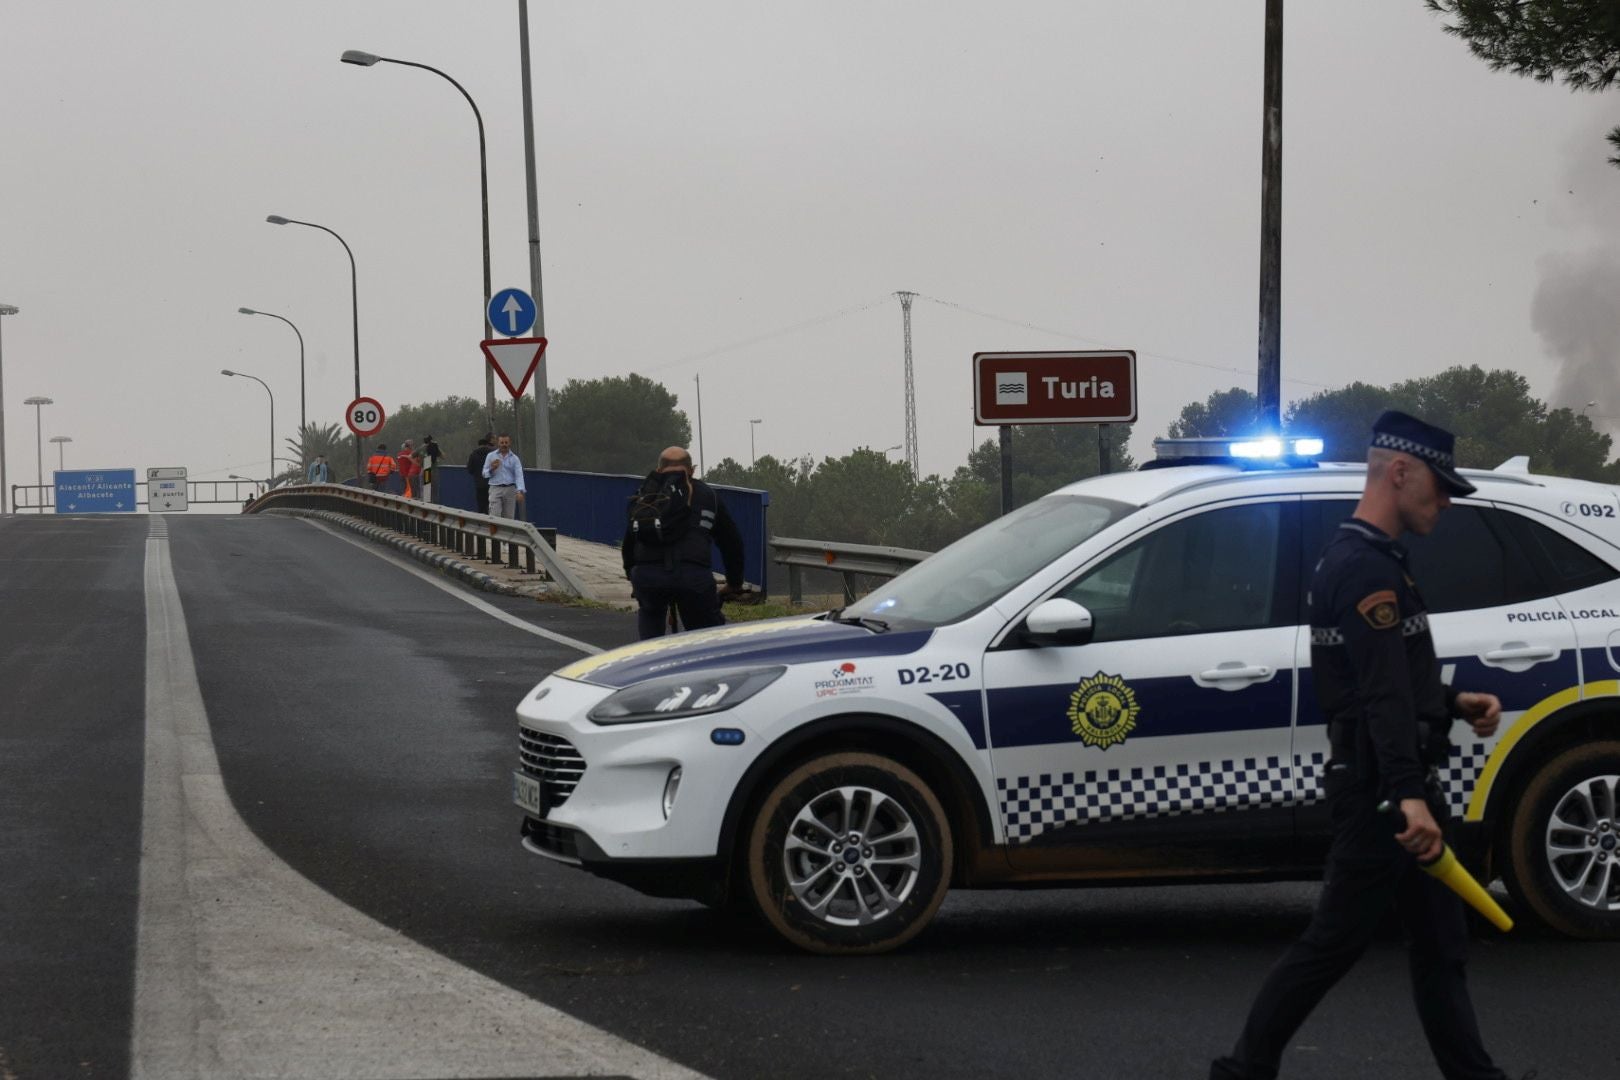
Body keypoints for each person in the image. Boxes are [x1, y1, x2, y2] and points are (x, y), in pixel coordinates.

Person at [1210, 411, 1509, 1080]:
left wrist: (1454, 703)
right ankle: (1242, 1070)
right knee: (1333, 944)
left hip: (1391, 781)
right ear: (1399, 472)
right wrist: (1408, 797)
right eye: (1440, 487)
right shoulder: (1366, 572)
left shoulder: (1368, 563)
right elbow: (1380, 696)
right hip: (1382, 791)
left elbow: (1391, 678)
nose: (1446, 503)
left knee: (1442, 947)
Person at [621, 446, 745, 640]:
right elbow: (731, 542)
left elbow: (630, 540)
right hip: (693, 577)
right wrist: (734, 582)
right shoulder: (708, 495)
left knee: (650, 618)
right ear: (692, 470)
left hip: (648, 577)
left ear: (659, 469)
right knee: (706, 638)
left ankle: (649, 656)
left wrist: (632, 573)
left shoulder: (645, 495)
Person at [482, 432, 525, 519]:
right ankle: (494, 532)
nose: (504, 445)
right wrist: (492, 468)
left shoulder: (515, 458)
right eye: (502, 443)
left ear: (509, 443)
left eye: (506, 442)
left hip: (510, 489)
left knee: (509, 517)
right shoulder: (491, 456)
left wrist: (520, 491)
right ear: (498, 443)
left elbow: (519, 475)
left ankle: (506, 533)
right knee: (494, 516)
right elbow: (484, 473)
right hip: (495, 488)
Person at [466, 434, 493, 515]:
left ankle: (482, 523)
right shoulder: (492, 453)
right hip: (491, 483)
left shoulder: (473, 454)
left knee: (481, 506)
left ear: (479, 445)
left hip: (479, 484)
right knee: (492, 505)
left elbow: (470, 469)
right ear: (486, 444)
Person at [419, 435, 443, 501]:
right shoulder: (435, 447)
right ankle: (434, 504)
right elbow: (443, 456)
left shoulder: (423, 448)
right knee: (434, 491)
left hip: (427, 469)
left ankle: (426, 504)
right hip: (434, 471)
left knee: (426, 490)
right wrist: (437, 447)